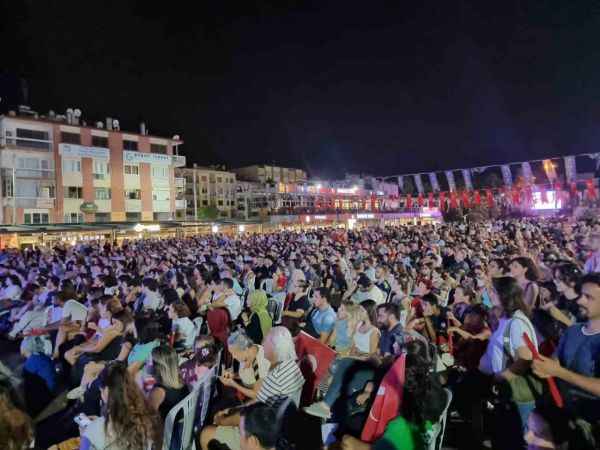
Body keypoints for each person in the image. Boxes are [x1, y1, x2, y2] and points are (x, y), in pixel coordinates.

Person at [201, 327, 304, 450]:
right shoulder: (290, 366)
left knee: (206, 433)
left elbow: (254, 407)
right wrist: (235, 376)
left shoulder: (271, 373)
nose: (263, 344)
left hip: (265, 433)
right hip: (272, 423)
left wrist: (223, 419)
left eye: (266, 342)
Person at [532, 273, 600, 449]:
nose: (580, 301)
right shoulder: (573, 331)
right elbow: (555, 362)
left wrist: (559, 372)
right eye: (581, 295)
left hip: (590, 427)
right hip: (559, 416)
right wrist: (543, 366)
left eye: (589, 297)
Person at [478, 276, 538, 446]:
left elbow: (525, 358)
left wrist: (501, 377)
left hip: (517, 395)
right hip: (506, 393)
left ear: (504, 295)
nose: (489, 294)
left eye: (493, 291)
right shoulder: (506, 320)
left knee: (518, 440)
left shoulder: (517, 322)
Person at [80, 361, 160, 450]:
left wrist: (84, 435)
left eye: (101, 390)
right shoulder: (146, 415)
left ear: (106, 391)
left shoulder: (93, 431)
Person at [219, 329, 271, 400]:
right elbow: (248, 374)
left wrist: (234, 384)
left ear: (245, 349)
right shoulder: (251, 349)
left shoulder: (258, 365)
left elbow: (257, 395)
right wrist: (234, 375)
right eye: (231, 353)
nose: (233, 357)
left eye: (235, 353)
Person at [147, 344, 190, 422]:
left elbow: (147, 419)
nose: (146, 362)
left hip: (162, 431)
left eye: (149, 360)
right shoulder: (181, 383)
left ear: (159, 367)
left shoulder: (158, 392)